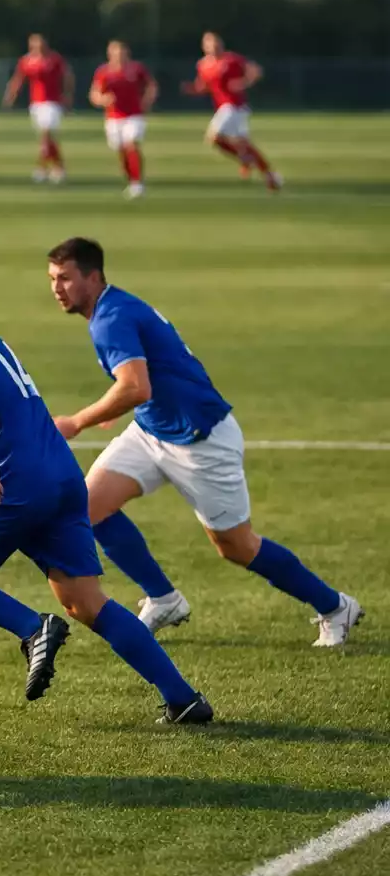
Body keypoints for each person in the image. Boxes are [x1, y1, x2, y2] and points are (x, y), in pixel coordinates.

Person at [0, 264, 213, 724]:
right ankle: (184, 699)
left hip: (15, 481)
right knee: (86, 603)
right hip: (60, 475)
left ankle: (31, 628)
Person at [45, 237, 361, 646]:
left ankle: (336, 607)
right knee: (87, 508)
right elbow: (143, 385)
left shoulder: (111, 318)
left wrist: (78, 421)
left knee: (236, 546)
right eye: (52, 278)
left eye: (65, 278)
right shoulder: (111, 309)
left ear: (93, 276)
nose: (56, 287)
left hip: (201, 439)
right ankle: (163, 599)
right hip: (153, 430)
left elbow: (135, 387)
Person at [182, 32, 281, 191]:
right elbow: (205, 86)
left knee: (213, 136)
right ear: (204, 47)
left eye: (215, 42)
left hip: (235, 106)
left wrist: (243, 82)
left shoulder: (232, 59)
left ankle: (246, 160)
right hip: (224, 107)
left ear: (221, 44)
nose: (213, 46)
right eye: (209, 44)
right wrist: (193, 90)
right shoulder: (203, 65)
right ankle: (270, 175)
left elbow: (255, 71)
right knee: (243, 143)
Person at [90, 41, 157, 199]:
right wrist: (103, 99)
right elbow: (94, 94)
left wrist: (147, 101)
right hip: (113, 117)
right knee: (121, 151)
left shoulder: (137, 69)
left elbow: (151, 86)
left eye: (121, 52)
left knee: (131, 144)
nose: (118, 55)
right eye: (115, 52)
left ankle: (137, 183)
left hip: (134, 115)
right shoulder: (103, 72)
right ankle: (131, 179)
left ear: (127, 53)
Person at [3, 33, 72, 183]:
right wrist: (11, 95)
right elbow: (18, 79)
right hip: (36, 103)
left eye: (40, 43)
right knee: (47, 138)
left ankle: (41, 169)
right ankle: (58, 167)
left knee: (46, 135)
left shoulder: (54, 59)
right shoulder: (26, 61)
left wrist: (67, 96)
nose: (37, 46)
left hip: (53, 102)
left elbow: (67, 76)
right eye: (34, 44)